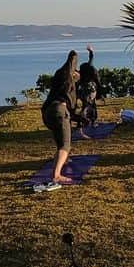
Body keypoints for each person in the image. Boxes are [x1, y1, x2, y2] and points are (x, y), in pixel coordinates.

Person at [41, 50, 81, 184]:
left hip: (48, 111)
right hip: (59, 111)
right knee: (65, 145)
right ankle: (56, 175)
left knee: (60, 142)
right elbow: (71, 101)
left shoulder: (59, 76)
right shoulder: (68, 78)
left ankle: (63, 161)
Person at [74, 44, 103, 129]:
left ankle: (83, 122)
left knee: (85, 105)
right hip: (91, 90)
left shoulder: (82, 76)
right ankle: (90, 121)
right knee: (91, 105)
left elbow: (89, 61)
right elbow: (91, 60)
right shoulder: (90, 71)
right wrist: (91, 51)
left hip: (83, 91)